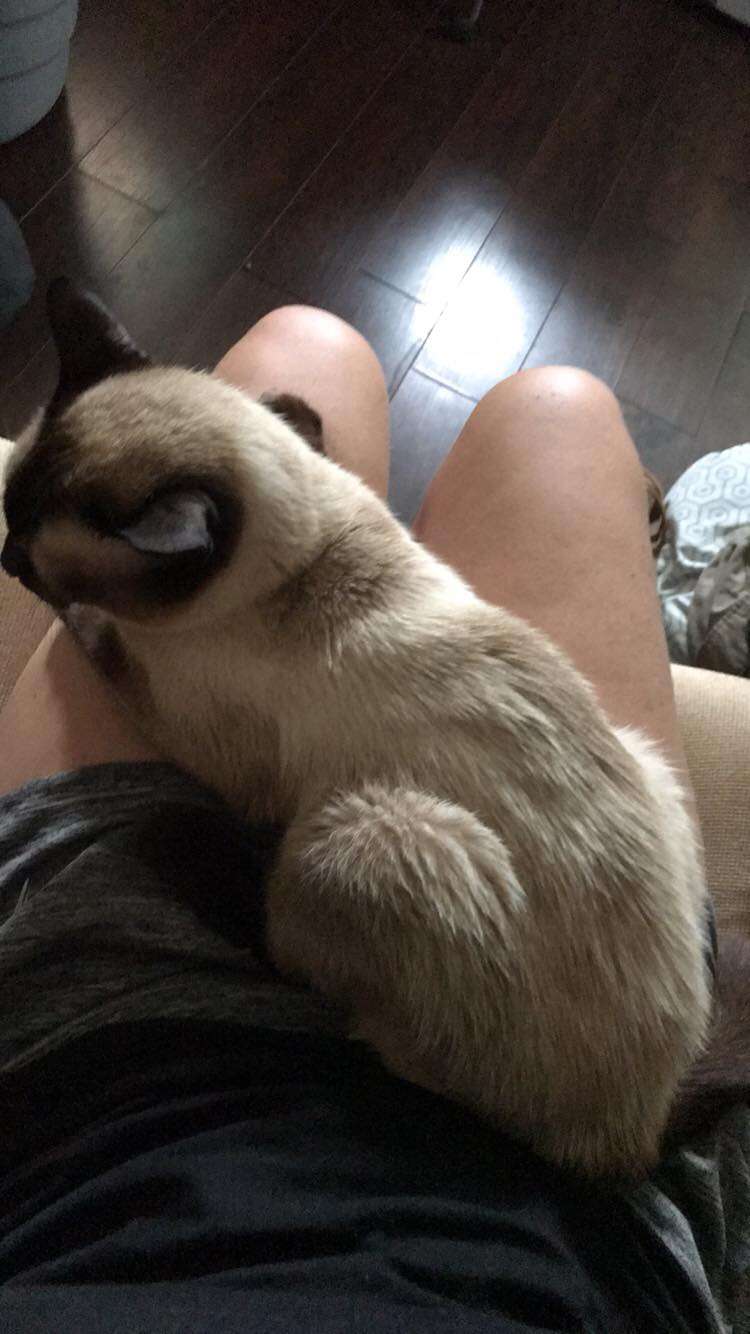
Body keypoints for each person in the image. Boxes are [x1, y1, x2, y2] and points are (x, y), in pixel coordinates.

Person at [0, 309, 746, 1333]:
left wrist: (98, 626)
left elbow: (243, 779)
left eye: (58, 572)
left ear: (188, 545)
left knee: (328, 868)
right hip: (600, 1219)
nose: (25, 571)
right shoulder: (320, 504)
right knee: (549, 407)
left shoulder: (217, 644)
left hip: (420, 1096)